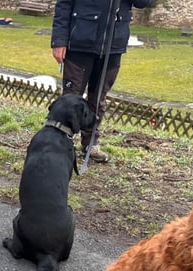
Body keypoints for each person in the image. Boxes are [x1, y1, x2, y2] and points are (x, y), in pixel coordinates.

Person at [51, 0, 155, 163]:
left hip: (113, 45)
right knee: (71, 97)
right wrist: (59, 40)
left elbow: (143, 3)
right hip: (80, 41)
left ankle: (90, 144)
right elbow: (64, 3)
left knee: (98, 98)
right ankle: (59, 143)